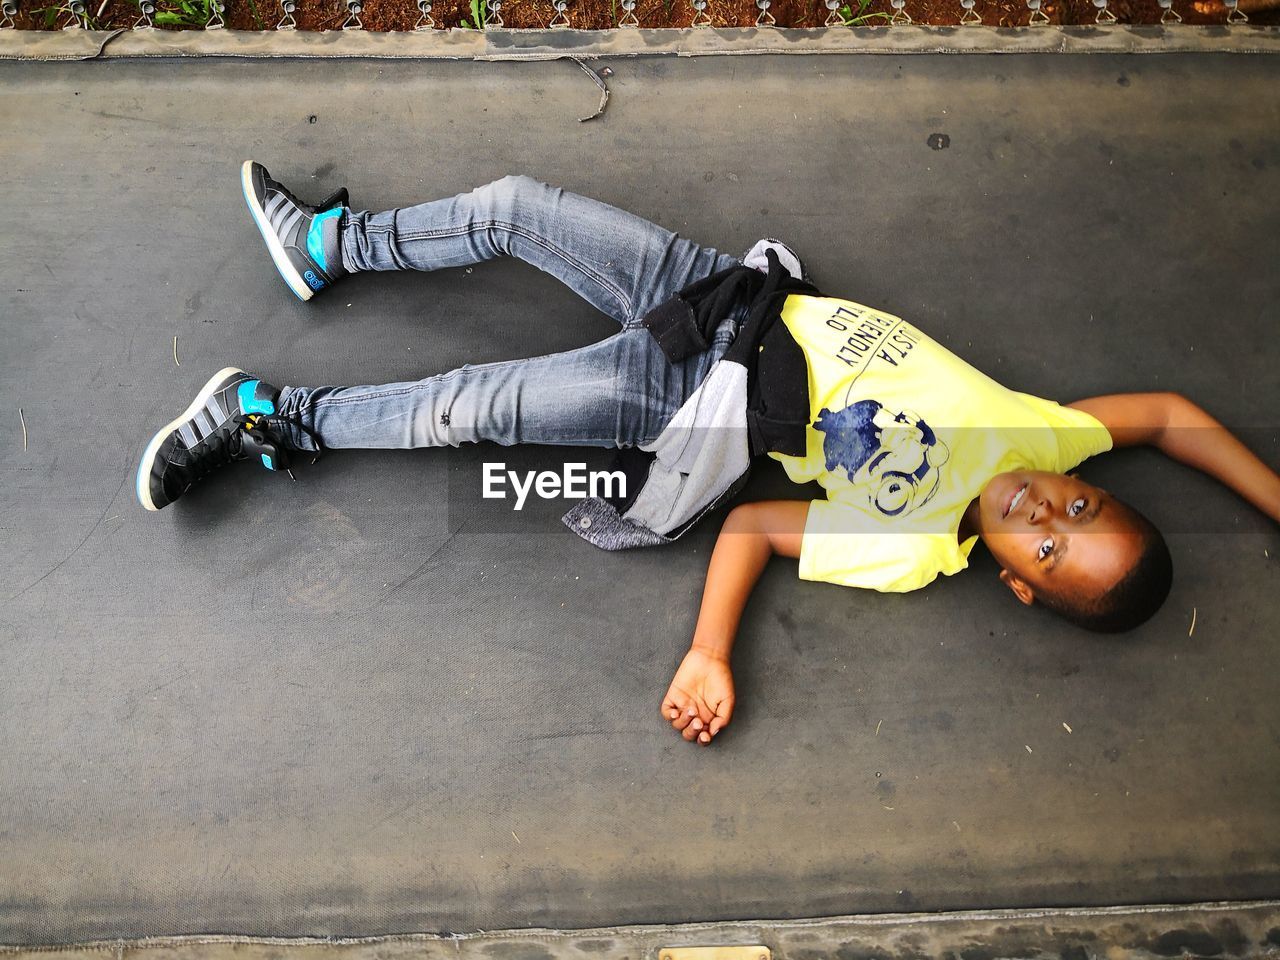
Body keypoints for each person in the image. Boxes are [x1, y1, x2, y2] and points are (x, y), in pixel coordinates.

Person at [136, 164, 1280, 747]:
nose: (1050, 510)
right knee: (519, 205)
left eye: (1047, 546)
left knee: (470, 405)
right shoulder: (1045, 433)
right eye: (1080, 509)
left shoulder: (911, 547)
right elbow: (1173, 415)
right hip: (724, 296)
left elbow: (750, 528)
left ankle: (263, 416)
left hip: (685, 397)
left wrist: (709, 653)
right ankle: (326, 245)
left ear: (1019, 589)